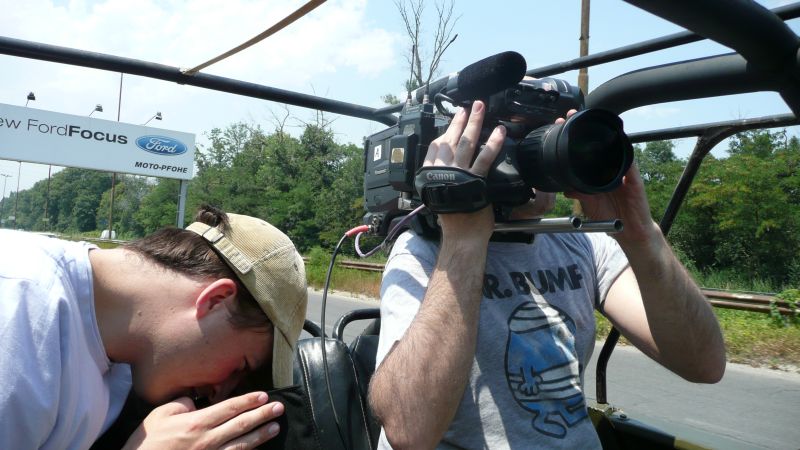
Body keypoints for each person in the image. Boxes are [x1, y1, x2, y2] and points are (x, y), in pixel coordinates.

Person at [368, 101, 727, 449]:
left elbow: (704, 363)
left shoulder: (580, 243)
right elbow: (409, 431)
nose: (537, 151)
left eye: (546, 131)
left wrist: (642, 236)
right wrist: (463, 241)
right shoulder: (426, 250)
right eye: (515, 134)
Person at [0, 205, 308, 449]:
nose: (220, 394)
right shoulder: (19, 308)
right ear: (216, 300)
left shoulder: (122, 363)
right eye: (240, 368)